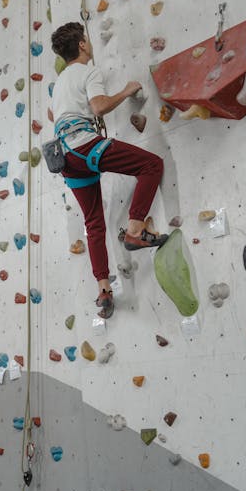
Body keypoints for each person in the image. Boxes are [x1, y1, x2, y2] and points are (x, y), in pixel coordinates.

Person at [50, 22, 168, 317]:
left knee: (94, 224)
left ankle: (103, 289)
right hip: (84, 146)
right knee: (152, 164)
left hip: (65, 158)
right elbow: (99, 106)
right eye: (86, 40)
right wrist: (127, 90)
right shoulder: (88, 71)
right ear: (81, 45)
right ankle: (135, 230)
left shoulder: (59, 83)